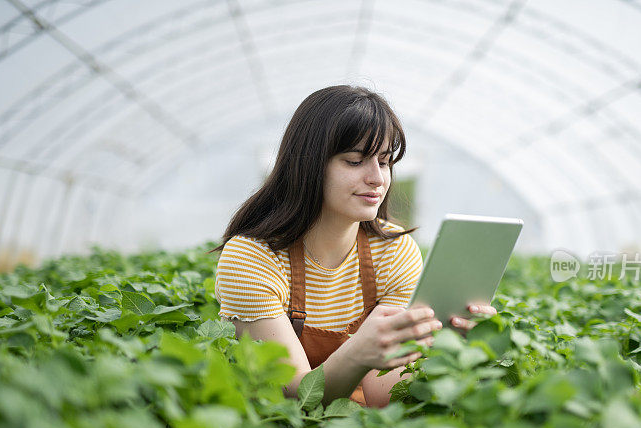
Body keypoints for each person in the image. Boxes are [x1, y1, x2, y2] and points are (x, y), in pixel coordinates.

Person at [211, 85, 495, 408]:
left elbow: (381, 393)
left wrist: (449, 344)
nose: (377, 178)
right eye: (355, 161)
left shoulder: (395, 252)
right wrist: (359, 351)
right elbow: (295, 397)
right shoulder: (251, 257)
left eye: (385, 162)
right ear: (309, 165)